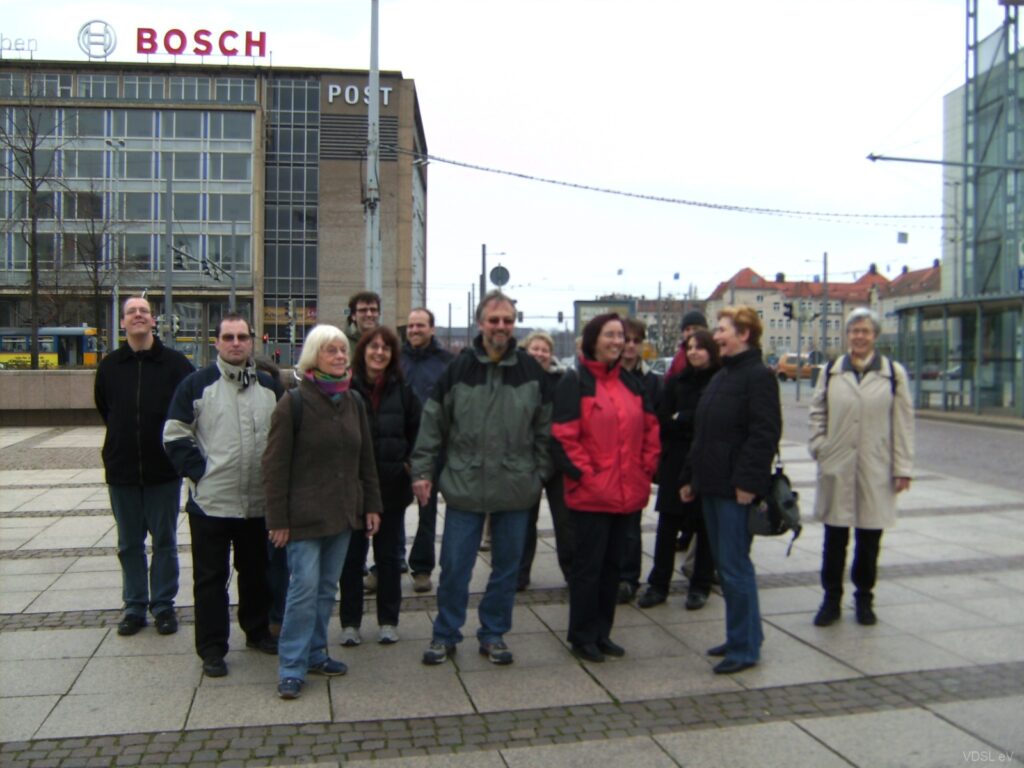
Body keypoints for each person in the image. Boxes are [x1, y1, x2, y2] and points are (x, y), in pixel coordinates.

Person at [411, 290, 552, 666]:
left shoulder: (531, 371)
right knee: (455, 567)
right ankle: (445, 634)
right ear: (480, 324)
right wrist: (423, 471)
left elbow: (546, 429)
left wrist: (539, 473)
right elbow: (432, 425)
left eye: (507, 320)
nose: (501, 326)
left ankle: (494, 634)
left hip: (515, 487)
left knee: (506, 570)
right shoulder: (458, 369)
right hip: (464, 485)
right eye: (494, 320)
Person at [262, 325, 382, 700]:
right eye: (331, 350)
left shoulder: (354, 402)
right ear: (315, 356)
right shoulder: (294, 402)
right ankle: (292, 666)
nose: (340, 356)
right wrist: (277, 519)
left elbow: (366, 459)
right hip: (303, 519)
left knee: (326, 590)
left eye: (343, 351)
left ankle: (316, 653)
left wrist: (372, 506)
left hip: (344, 515)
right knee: (303, 590)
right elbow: (274, 465)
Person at [163, 313, 282, 678]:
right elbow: (174, 434)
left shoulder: (269, 387)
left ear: (251, 342)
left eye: (241, 337)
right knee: (210, 580)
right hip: (211, 504)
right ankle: (212, 648)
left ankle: (257, 630)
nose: (235, 343)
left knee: (256, 574)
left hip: (257, 504)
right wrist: (201, 473)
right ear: (216, 342)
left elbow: (283, 438)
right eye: (228, 337)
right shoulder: (196, 385)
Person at [552, 313, 660, 663]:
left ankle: (603, 633)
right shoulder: (576, 381)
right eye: (611, 335)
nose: (619, 342)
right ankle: (582, 636)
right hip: (591, 497)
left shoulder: (631, 383)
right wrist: (589, 478)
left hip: (627, 495)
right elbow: (564, 438)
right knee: (588, 570)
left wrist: (644, 472)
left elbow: (650, 432)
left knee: (613, 568)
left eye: (623, 336)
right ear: (594, 339)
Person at [681, 306, 780, 675]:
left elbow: (764, 434)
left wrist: (748, 484)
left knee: (735, 568)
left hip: (733, 490)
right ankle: (745, 634)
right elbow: (705, 432)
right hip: (712, 485)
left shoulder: (757, 377)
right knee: (730, 565)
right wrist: (691, 479)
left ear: (744, 334)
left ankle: (744, 647)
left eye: (721, 330)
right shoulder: (725, 374)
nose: (716, 336)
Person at [94, 296, 194, 637]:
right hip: (122, 469)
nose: (138, 316)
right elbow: (105, 408)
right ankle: (134, 605)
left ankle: (163, 605)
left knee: (165, 541)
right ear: (123, 322)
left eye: (144, 312)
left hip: (162, 470)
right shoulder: (110, 366)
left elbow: (189, 409)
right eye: (131, 312)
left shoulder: (176, 364)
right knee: (128, 544)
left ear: (154, 320)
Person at [808, 307, 914, 627]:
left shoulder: (892, 374)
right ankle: (831, 600)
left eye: (865, 331)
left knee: (869, 540)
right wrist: (819, 447)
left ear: (875, 336)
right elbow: (817, 412)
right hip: (837, 464)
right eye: (854, 330)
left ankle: (864, 599)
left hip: (875, 467)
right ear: (847, 335)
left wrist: (902, 467)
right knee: (834, 538)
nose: (859, 336)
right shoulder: (831, 371)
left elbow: (904, 424)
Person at [338, 326, 421, 646]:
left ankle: (388, 620)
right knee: (351, 559)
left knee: (388, 559)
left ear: (392, 355)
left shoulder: (402, 390)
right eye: (373, 347)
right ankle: (349, 622)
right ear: (363, 351)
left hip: (391, 486)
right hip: (354, 487)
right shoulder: (346, 387)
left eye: (385, 348)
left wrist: (409, 463)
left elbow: (418, 429)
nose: (379, 352)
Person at [638, 329, 720, 610]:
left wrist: (684, 418)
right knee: (667, 526)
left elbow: (714, 424)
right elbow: (662, 419)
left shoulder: (720, 382)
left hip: (707, 462)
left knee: (704, 526)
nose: (695, 352)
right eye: (690, 347)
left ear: (711, 350)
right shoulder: (675, 382)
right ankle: (658, 583)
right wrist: (686, 421)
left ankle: (700, 585)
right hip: (676, 461)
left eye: (700, 347)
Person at [401, 307, 453, 594]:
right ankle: (385, 564)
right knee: (391, 508)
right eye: (410, 326)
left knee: (427, 509)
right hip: (401, 446)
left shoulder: (447, 362)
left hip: (435, 448)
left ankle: (422, 567)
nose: (415, 331)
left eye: (420, 325)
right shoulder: (396, 360)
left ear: (432, 329)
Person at [518, 330, 572, 589]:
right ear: (525, 351)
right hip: (525, 463)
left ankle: (572, 572)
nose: (540, 353)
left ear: (551, 355)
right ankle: (520, 574)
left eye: (545, 350)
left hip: (557, 461)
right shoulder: (515, 379)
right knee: (525, 522)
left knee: (565, 523)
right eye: (535, 349)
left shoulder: (562, 381)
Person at [616, 317, 661, 604]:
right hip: (607, 467)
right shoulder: (604, 377)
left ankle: (628, 578)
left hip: (635, 468)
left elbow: (657, 426)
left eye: (636, 341)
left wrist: (647, 466)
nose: (631, 346)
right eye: (626, 340)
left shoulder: (652, 381)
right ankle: (609, 574)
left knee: (631, 528)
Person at [666, 309, 709, 379]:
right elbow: (669, 379)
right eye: (687, 329)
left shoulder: (714, 352)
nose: (691, 332)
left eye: (695, 328)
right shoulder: (679, 357)